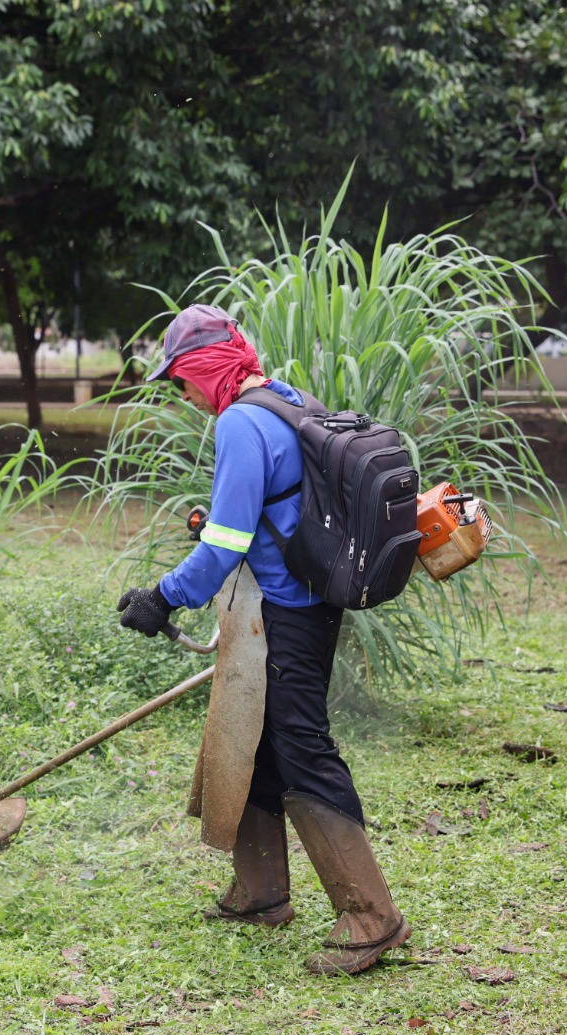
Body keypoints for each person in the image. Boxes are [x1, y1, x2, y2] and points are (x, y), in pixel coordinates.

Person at [116, 304, 410, 976]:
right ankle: (259, 890)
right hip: (307, 599)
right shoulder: (282, 398)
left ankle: (372, 916)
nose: (182, 394)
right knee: (257, 732)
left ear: (204, 369)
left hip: (286, 613)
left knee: (302, 747)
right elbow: (272, 509)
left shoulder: (240, 423)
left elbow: (224, 544)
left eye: (181, 379)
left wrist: (161, 598)